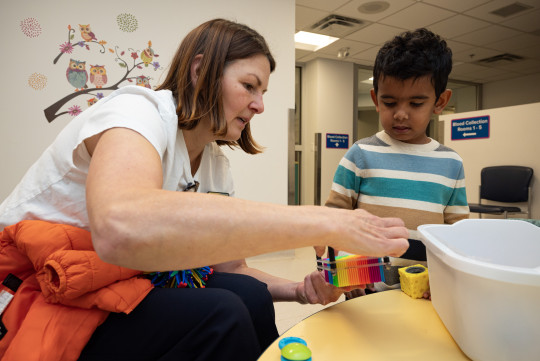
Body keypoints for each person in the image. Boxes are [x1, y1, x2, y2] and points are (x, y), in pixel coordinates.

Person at [0, 18, 409, 361]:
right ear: (200, 71)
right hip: (38, 287)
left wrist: (300, 291)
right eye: (250, 86)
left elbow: (232, 268)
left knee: (248, 295)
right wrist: (323, 221)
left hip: (112, 286)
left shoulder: (214, 164)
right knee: (223, 313)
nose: (260, 105)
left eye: (263, 92)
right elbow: (119, 227)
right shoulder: (137, 112)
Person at [323, 28, 469, 299]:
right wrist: (340, 271)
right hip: (364, 285)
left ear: (440, 102)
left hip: (425, 289)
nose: (401, 114)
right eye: (389, 102)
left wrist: (446, 280)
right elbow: (334, 219)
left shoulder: (451, 163)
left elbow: (458, 233)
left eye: (416, 103)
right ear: (376, 100)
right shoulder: (360, 153)